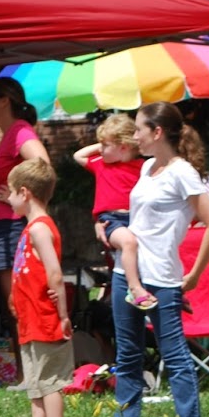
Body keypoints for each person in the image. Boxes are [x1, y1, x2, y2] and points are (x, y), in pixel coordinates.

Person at [110, 102, 209, 417]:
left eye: (140, 128)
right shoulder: (147, 167)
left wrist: (194, 274)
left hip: (162, 279)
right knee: (128, 355)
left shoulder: (182, 172)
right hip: (125, 275)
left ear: (157, 132)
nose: (135, 136)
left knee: (174, 357)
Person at [0, 76, 51, 363]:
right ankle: (25, 369)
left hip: (9, 227)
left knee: (17, 301)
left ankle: (29, 370)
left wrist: (21, 201)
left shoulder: (20, 130)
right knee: (11, 303)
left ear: (5, 100)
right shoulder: (10, 134)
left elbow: (42, 164)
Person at [6, 158, 74, 417]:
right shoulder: (31, 228)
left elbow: (55, 273)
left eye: (10, 192)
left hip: (46, 319)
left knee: (50, 384)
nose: (8, 199)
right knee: (35, 384)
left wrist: (62, 313)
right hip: (30, 321)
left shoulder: (41, 229)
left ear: (25, 192)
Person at [73, 113, 149, 306]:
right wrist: (103, 144)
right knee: (128, 243)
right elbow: (78, 155)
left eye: (106, 146)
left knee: (140, 253)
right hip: (111, 220)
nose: (102, 150)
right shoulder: (101, 164)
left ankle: (143, 287)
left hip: (137, 218)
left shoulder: (142, 167)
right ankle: (134, 288)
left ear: (123, 147)